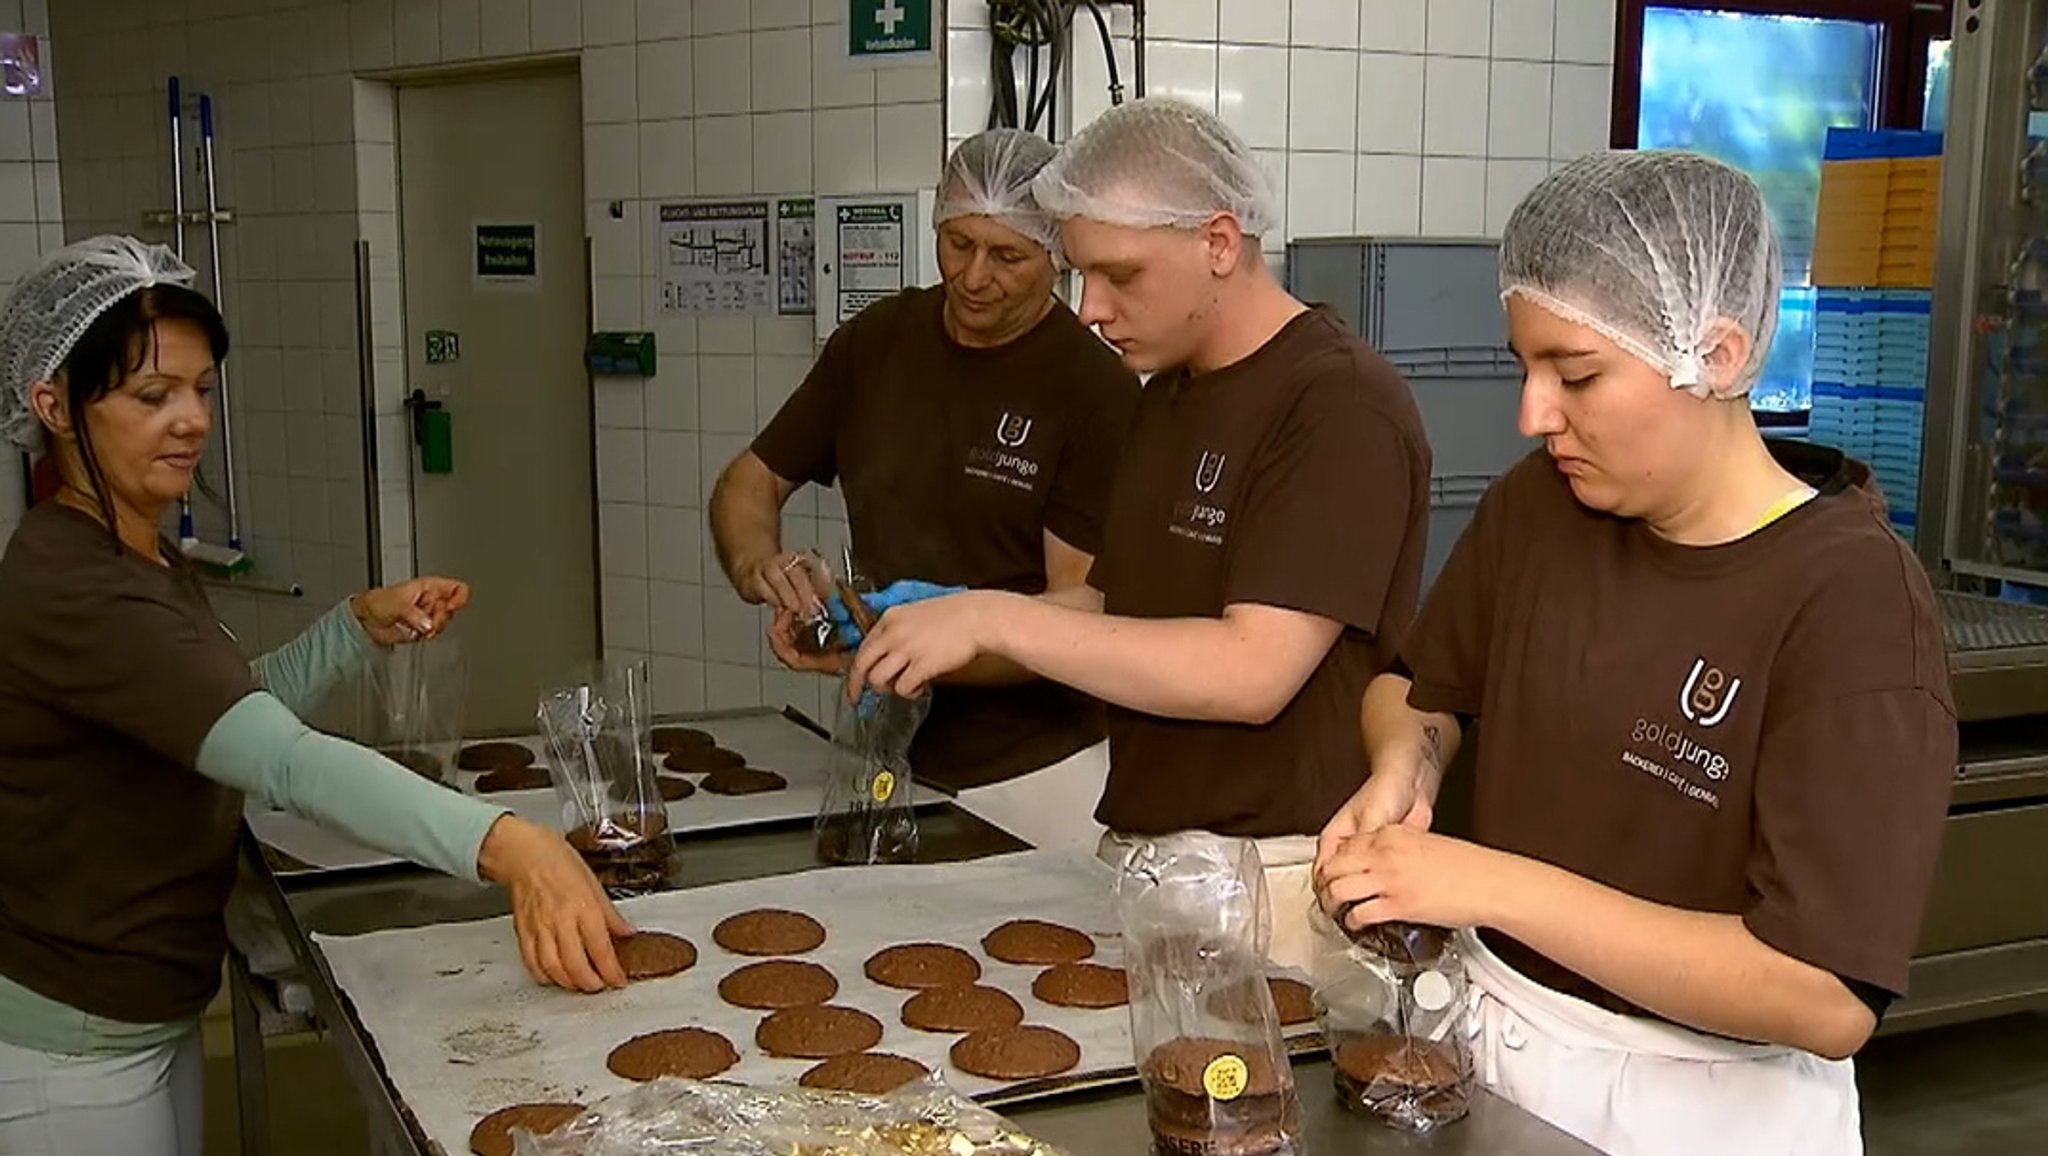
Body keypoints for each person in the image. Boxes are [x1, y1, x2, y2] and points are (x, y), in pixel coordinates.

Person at [1312, 151, 1956, 1156]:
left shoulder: (1849, 602)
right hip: (1494, 1066)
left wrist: (1482, 882)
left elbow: (1823, 993)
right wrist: (1407, 766)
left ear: (1718, 353)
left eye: (1574, 374)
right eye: (1523, 366)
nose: (1532, 414)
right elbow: (1418, 686)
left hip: (1701, 1110)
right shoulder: (1541, 506)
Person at [0, 237, 632, 1156]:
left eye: (201, 390)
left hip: (143, 1006)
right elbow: (280, 760)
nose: (190, 422)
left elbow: (214, 716)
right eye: (150, 397)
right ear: (51, 403)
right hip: (72, 1045)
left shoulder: (130, 548)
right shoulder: (72, 583)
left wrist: (349, 630)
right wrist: (508, 843)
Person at [847, 99, 1432, 969]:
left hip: (1275, 877)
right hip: (1153, 858)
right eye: (1081, 274)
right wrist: (944, 627)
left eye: (1121, 276)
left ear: (1219, 244)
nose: (1091, 309)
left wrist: (1000, 622)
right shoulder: (1166, 396)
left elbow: (1252, 671)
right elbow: (1117, 600)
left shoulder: (1336, 404)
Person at [710, 128, 1140, 855]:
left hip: (1033, 774)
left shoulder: (1094, 391)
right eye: (957, 244)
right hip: (884, 750)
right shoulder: (876, 343)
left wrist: (930, 636)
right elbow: (749, 481)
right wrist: (763, 567)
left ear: (1059, 256)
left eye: (1007, 255)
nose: (974, 276)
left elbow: (1082, 613)